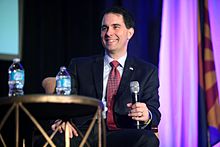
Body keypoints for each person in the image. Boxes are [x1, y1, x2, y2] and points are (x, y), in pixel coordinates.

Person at [36, 6, 161, 147]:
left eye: (116, 27)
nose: (109, 33)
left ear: (130, 33)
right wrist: (62, 119)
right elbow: (66, 99)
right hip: (82, 133)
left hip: (123, 134)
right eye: (104, 28)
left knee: (148, 139)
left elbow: (154, 112)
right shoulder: (80, 65)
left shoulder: (147, 71)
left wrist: (146, 115)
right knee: (44, 142)